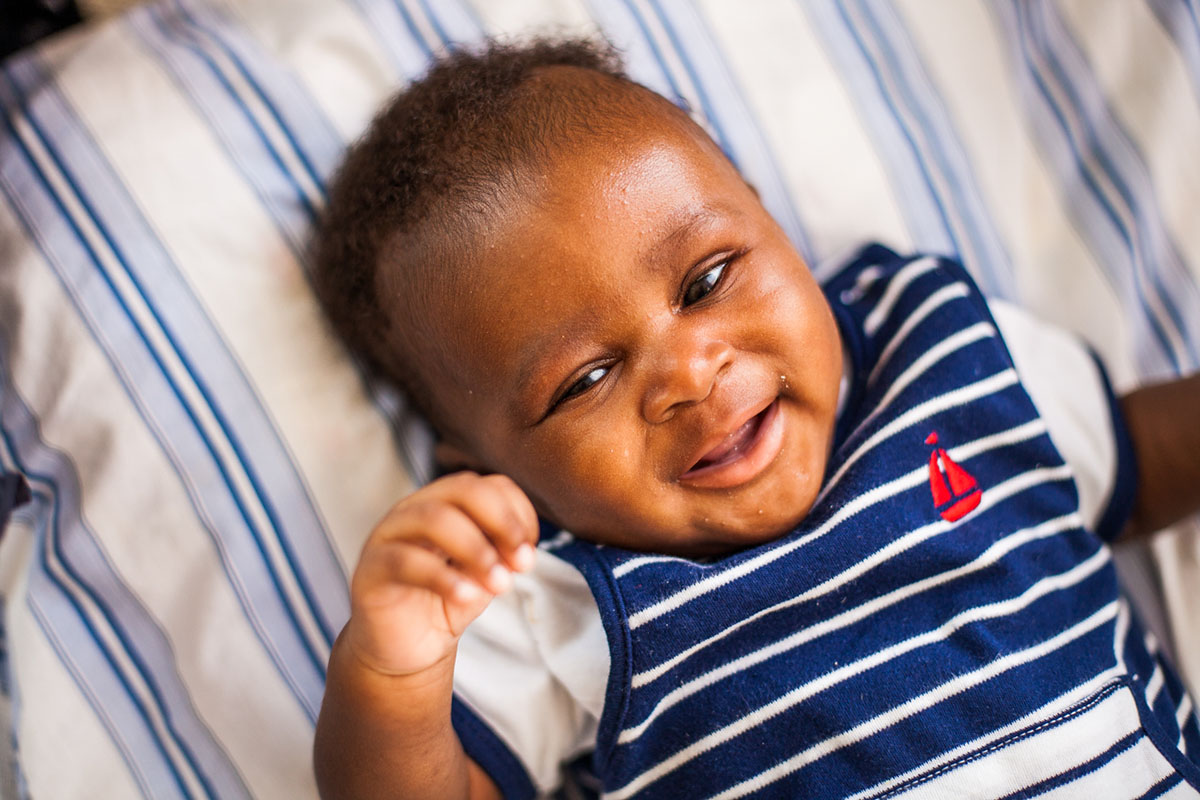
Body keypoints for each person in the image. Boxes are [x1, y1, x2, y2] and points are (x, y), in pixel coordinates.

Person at [309, 38, 1200, 800]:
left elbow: (1136, 458)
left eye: (706, 281)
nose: (691, 375)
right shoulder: (548, 586)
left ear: (764, 212)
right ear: (482, 465)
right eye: (584, 380)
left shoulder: (930, 351)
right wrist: (392, 670)